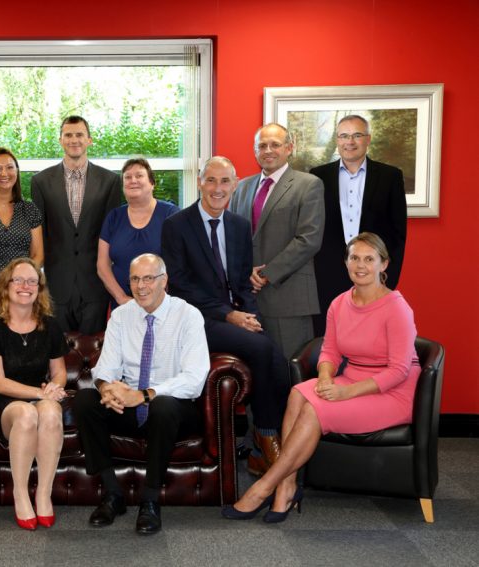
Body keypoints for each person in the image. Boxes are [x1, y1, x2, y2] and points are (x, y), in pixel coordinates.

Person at [222, 232, 420, 523]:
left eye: (369, 259)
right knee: (298, 393)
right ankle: (287, 486)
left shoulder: (397, 308)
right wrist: (326, 378)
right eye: (355, 258)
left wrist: (345, 393)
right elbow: (329, 351)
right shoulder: (340, 303)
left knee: (315, 410)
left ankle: (265, 487)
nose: (361, 265)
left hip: (391, 393)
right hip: (351, 380)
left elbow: (399, 370)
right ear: (346, 262)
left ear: (384, 264)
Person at [161, 156, 289, 476]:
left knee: (278, 360)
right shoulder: (176, 225)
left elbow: (244, 280)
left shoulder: (239, 225)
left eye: (225, 182)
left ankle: (267, 440)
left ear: (234, 185)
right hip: (195, 319)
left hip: (234, 314)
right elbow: (179, 284)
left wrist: (251, 316)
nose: (218, 188)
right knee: (262, 350)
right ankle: (268, 438)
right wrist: (230, 315)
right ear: (200, 183)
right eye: (211, 180)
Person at [73, 254, 209, 535]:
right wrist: (107, 388)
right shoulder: (122, 316)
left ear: (164, 281)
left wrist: (146, 395)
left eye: (149, 278)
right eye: (135, 279)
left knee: (163, 406)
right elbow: (104, 368)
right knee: (85, 400)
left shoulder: (188, 316)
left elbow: (194, 379)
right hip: (129, 404)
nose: (141, 286)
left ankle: (150, 500)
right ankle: (113, 494)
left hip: (173, 409)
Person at [0, 258, 69, 530]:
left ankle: (44, 494)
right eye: (18, 280)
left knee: (50, 413)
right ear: (6, 286)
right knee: (27, 413)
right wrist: (41, 392)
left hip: (37, 398)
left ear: (40, 289)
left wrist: (54, 387)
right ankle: (20, 494)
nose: (25, 286)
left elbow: (59, 371)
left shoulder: (49, 325)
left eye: (32, 281)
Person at [229, 123, 325, 360]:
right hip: (247, 298)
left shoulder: (308, 184)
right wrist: (243, 273)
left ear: (289, 148)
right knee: (255, 372)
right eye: (262, 145)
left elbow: (309, 239)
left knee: (290, 371)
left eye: (275, 144)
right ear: (255, 151)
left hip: (288, 297)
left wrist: (266, 274)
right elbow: (232, 238)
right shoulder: (241, 188)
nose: (268, 150)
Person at [311, 114, 407, 336]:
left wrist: (387, 276)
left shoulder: (390, 176)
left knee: (371, 337)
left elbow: (398, 233)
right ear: (337, 140)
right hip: (327, 274)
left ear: (368, 139)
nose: (350, 142)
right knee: (330, 338)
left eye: (357, 135)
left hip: (373, 273)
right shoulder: (317, 176)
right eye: (344, 136)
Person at [31, 115, 122, 334]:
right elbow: (40, 235)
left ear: (89, 140)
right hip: (56, 285)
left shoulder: (110, 181)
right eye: (68, 135)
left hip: (95, 284)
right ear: (61, 140)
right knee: (57, 356)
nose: (74, 140)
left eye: (79, 134)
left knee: (95, 353)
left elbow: (111, 235)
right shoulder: (40, 182)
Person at [97, 158, 179, 308]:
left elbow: (180, 262)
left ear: (152, 183)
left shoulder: (170, 214)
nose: (133, 180)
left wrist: (157, 300)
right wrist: (121, 298)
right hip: (122, 306)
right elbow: (103, 265)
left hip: (161, 305)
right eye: (127, 177)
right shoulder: (114, 217)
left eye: (139, 176)